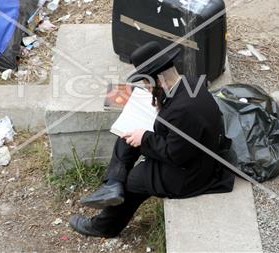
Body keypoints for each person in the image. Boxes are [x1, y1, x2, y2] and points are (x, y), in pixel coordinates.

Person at [69, 41, 235, 238]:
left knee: (133, 181)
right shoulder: (190, 83)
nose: (147, 88)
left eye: (147, 83)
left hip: (190, 174)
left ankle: (103, 226)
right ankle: (112, 185)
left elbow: (175, 155)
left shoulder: (183, 110)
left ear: (158, 79)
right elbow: (178, 128)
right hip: (187, 150)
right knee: (126, 137)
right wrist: (155, 117)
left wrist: (145, 137)